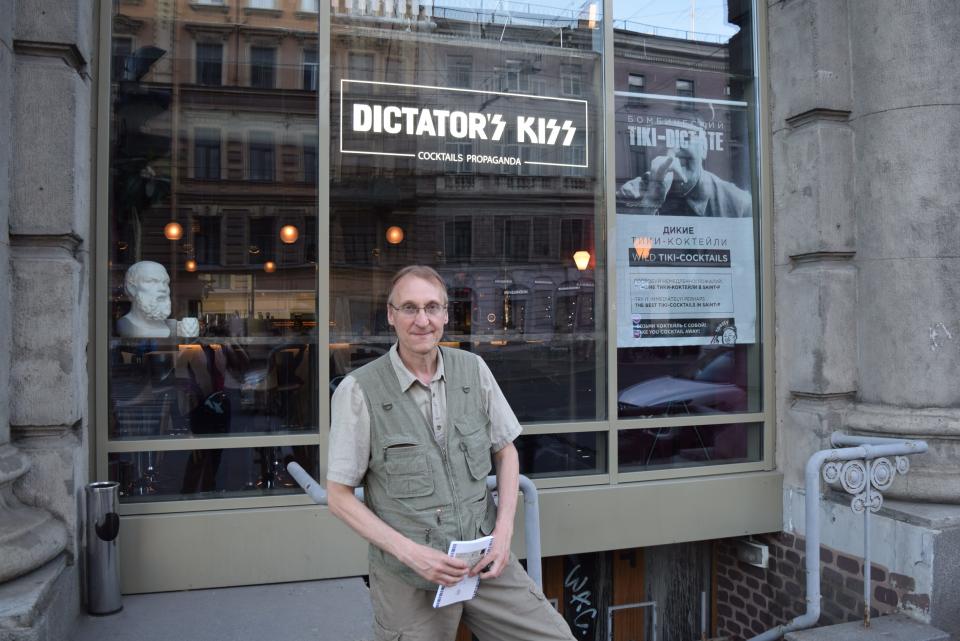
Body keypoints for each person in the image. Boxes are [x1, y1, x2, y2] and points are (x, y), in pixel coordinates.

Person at [326, 265, 575, 641]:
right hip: (410, 578)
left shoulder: (473, 369)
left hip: (485, 561)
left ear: (446, 314)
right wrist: (412, 554)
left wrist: (504, 531)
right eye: (409, 308)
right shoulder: (359, 390)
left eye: (431, 307)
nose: (421, 319)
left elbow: (506, 452)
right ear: (391, 315)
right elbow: (338, 497)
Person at [617, 122, 752, 217]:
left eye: (685, 138)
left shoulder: (739, 204)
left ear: (704, 148)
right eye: (663, 139)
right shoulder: (631, 193)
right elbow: (629, 249)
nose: (673, 152)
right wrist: (652, 199)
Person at [116, 261, 173, 337]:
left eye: (165, 282)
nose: (163, 288)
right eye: (152, 281)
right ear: (131, 288)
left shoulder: (168, 325)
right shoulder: (126, 325)